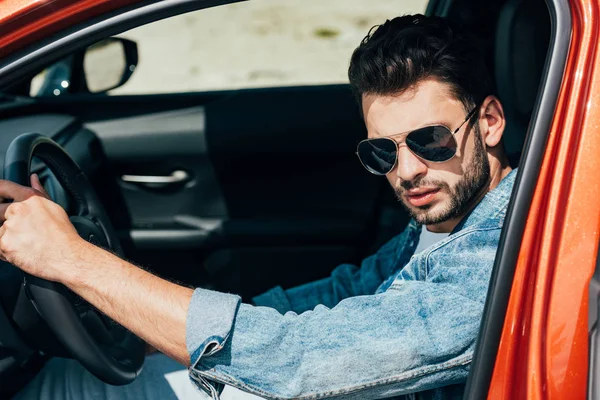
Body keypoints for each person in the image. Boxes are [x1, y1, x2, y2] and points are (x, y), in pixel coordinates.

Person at [9, 14, 515, 400]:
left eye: (430, 141)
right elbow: (349, 292)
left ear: (490, 121)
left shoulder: (500, 260)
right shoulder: (454, 213)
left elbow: (301, 359)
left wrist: (72, 260)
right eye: (382, 151)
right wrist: (151, 327)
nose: (406, 171)